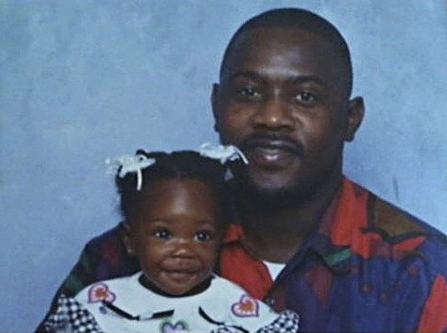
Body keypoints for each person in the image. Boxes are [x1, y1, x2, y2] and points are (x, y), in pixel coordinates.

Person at [37, 7, 447, 332]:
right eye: (248, 92)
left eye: (305, 97)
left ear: (350, 118)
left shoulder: (420, 272)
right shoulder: (121, 255)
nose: (271, 117)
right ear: (217, 106)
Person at [40, 149, 299, 332]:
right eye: (164, 234)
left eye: (202, 236)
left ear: (220, 240)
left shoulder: (234, 308)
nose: (184, 250)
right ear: (130, 240)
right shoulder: (100, 304)